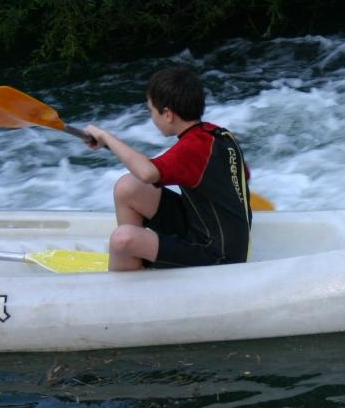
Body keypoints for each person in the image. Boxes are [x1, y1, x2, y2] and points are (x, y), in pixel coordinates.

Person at [84, 65, 252, 271]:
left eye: (151, 111)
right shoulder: (217, 135)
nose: (152, 117)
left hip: (217, 255)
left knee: (122, 239)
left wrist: (106, 136)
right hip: (202, 225)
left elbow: (147, 172)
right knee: (128, 187)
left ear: (168, 114)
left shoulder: (193, 149)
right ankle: (133, 264)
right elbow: (244, 176)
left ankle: (128, 268)